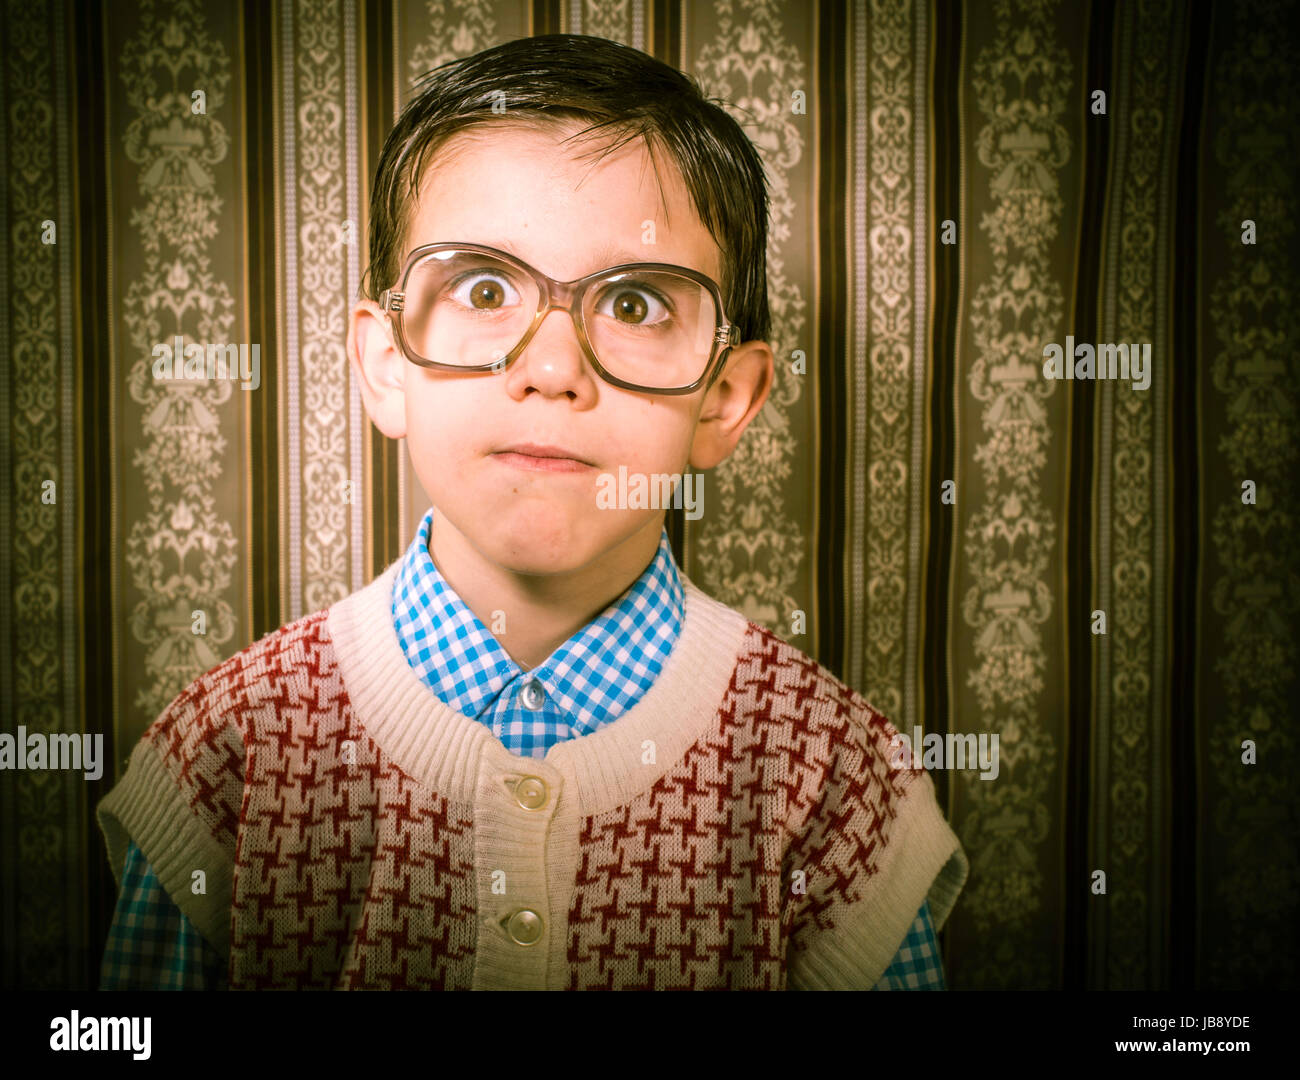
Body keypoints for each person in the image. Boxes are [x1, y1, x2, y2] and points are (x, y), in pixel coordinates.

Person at [96, 32, 967, 990]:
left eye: (635, 305)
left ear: (723, 397)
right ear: (387, 367)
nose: (551, 371)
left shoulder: (839, 787)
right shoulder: (228, 751)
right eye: (481, 287)